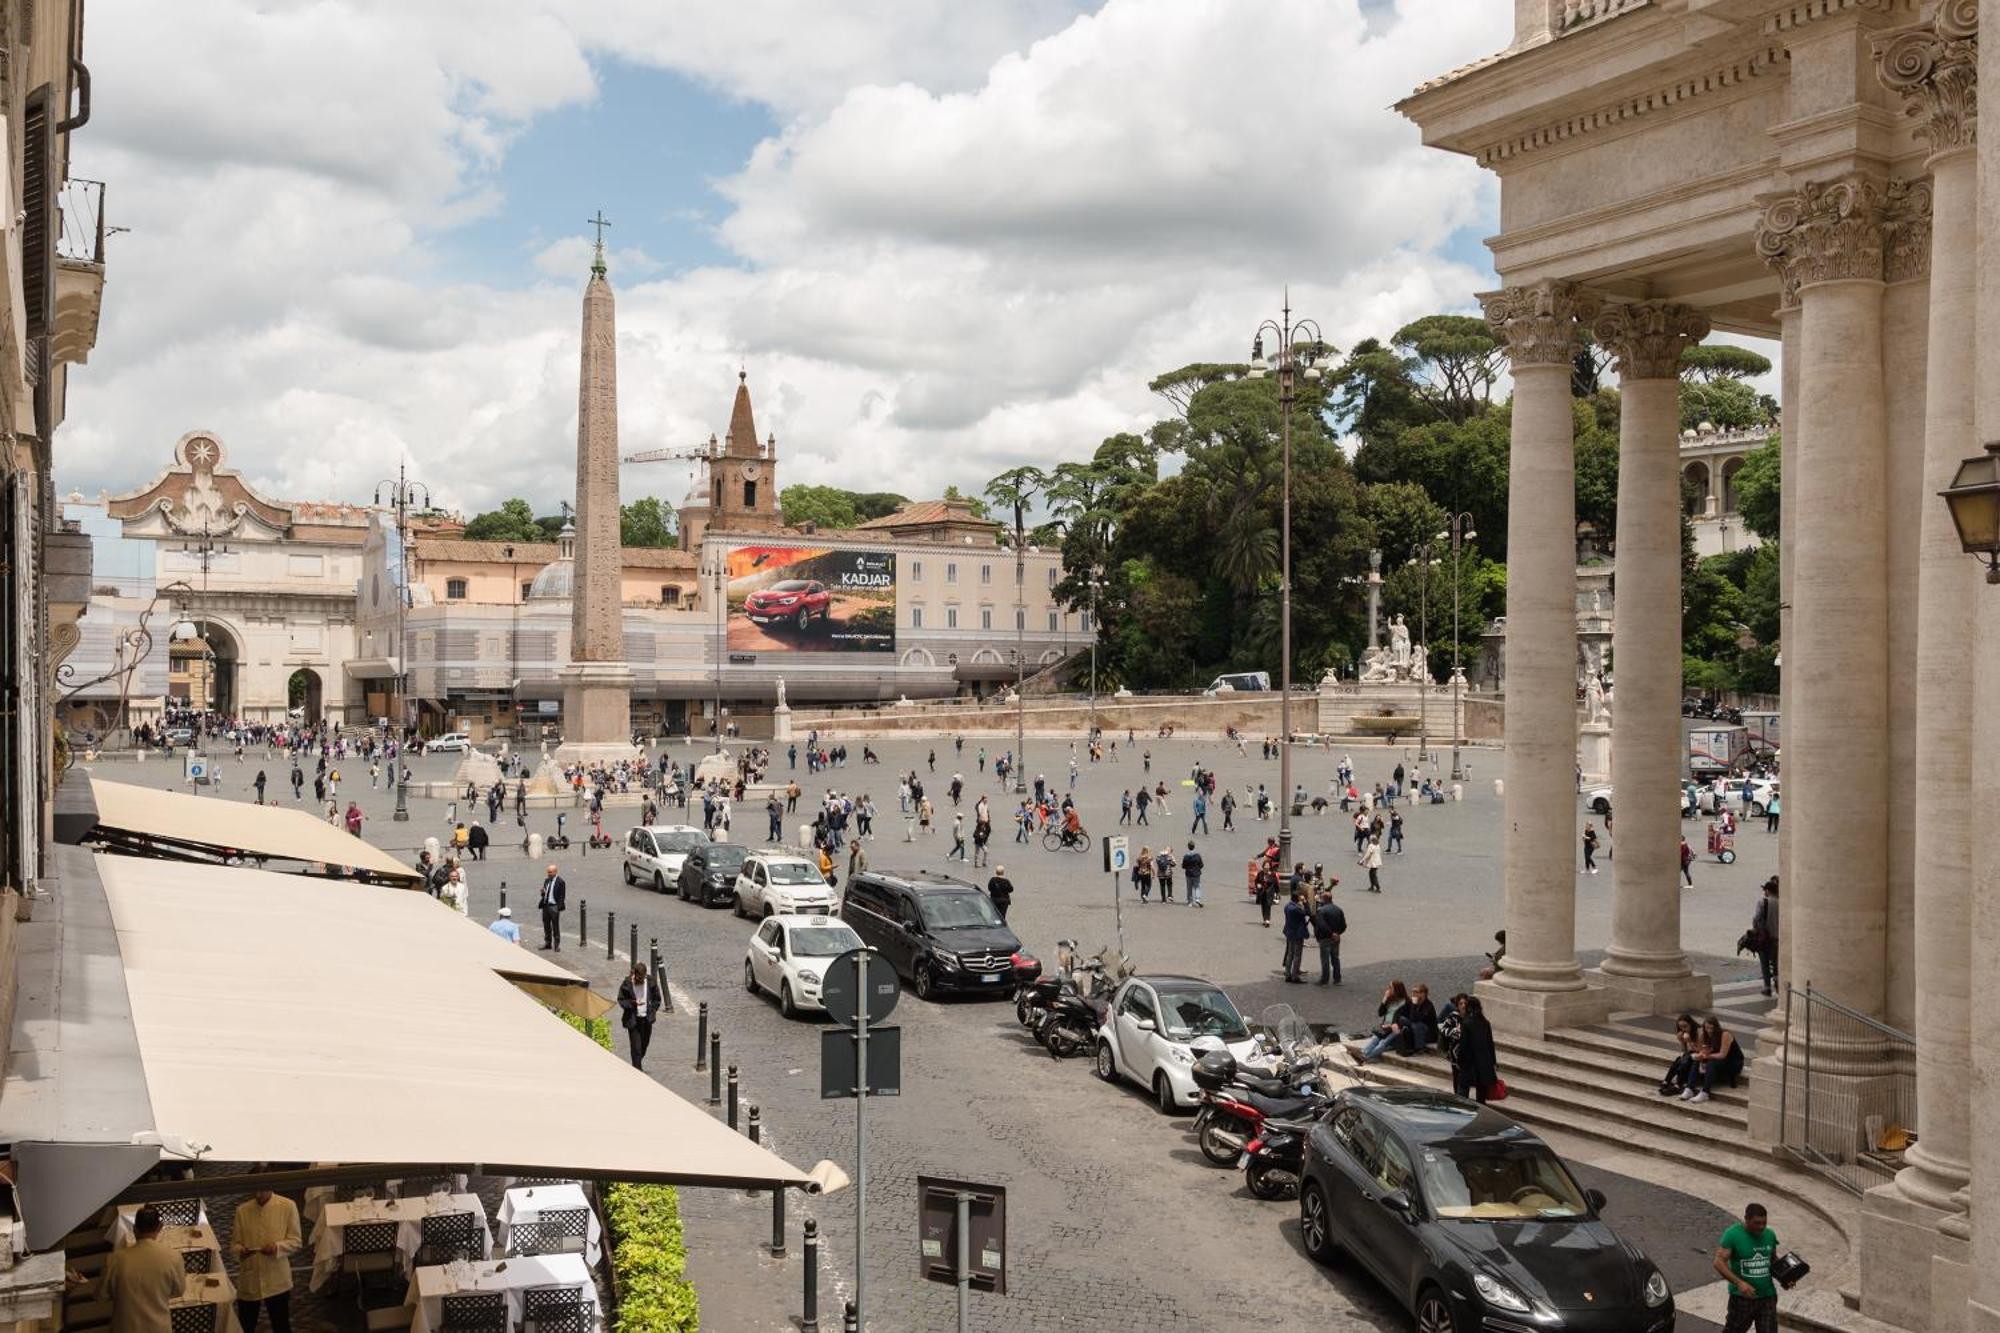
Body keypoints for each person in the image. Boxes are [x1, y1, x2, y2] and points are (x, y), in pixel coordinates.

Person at [231, 1187, 302, 1333]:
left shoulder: (287, 1206)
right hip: (250, 1277)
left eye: (262, 1191)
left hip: (277, 1279)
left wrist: (277, 1247)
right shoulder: (242, 1210)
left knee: (281, 1325)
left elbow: (295, 1241)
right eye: (255, 1191)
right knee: (245, 1326)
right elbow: (234, 1245)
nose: (258, 1195)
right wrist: (241, 1252)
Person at [1714, 1203, 1780, 1333]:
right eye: (1757, 1223)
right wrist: (1739, 1283)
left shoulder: (1770, 1235)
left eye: (1764, 1223)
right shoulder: (1732, 1234)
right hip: (1742, 1298)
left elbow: (1772, 1260)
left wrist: (1785, 1277)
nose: (1761, 1227)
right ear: (1746, 1218)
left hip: (1767, 1296)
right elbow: (1718, 1262)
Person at [1686, 1016, 1743, 1103]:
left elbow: (1722, 1054)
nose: (1709, 1030)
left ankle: (1705, 1092)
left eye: (1711, 1028)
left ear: (1716, 1027)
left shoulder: (1725, 1034)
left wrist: (1706, 1056)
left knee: (1711, 1063)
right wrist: (1699, 1054)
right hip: (1718, 1059)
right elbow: (1701, 1050)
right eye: (1707, 1028)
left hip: (1733, 1062)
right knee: (1697, 1060)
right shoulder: (1704, 1034)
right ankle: (1689, 1088)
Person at [1453, 995, 1499, 1103]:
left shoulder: (1467, 1023)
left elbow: (1463, 1045)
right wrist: (1493, 1062)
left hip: (1469, 1064)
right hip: (1483, 1064)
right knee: (1481, 1095)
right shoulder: (1485, 1023)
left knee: (1463, 1091)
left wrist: (1460, 1061)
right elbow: (1490, 1044)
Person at [618, 962, 661, 1069]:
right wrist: (632, 1004)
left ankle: (636, 1065)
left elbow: (657, 999)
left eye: (642, 978)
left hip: (646, 1019)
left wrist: (653, 1010)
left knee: (644, 1046)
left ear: (645, 975)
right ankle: (637, 1070)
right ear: (634, 975)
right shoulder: (627, 983)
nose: (640, 980)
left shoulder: (651, 982)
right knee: (636, 1048)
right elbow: (621, 1000)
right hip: (633, 1020)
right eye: (638, 978)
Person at [1657, 1012, 1701, 1097]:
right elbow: (1684, 1050)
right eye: (1680, 1027)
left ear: (1691, 1024)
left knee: (1685, 1061)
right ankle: (1667, 1081)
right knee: (1679, 1060)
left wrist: (1689, 1041)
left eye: (1685, 1026)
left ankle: (1678, 1085)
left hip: (1699, 1055)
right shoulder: (1683, 1033)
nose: (1683, 1029)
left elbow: (1700, 1050)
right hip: (1691, 1054)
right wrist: (1681, 1041)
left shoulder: (1699, 1032)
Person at [1753, 877, 1780, 996]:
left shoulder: (1763, 902)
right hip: (1778, 938)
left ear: (1768, 891)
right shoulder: (1782, 902)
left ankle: (1767, 987)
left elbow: (1756, 918)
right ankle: (1778, 986)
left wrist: (1755, 929)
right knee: (1776, 964)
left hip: (1765, 938)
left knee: (1765, 963)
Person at [1312, 886, 1345, 985]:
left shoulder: (1321, 911)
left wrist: (1330, 934)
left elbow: (1321, 925)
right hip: (1336, 938)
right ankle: (1337, 978)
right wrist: (1337, 933)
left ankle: (1324, 979)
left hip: (1325, 938)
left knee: (1325, 959)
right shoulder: (1338, 909)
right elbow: (1344, 925)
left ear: (1324, 899)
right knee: (1335, 958)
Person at [1281, 891, 1310, 982]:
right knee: (1297, 955)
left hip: (1289, 932)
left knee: (1290, 954)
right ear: (1297, 898)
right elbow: (1308, 912)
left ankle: (1288, 974)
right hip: (1297, 933)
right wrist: (1305, 902)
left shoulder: (1287, 906)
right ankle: (1295, 976)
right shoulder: (1296, 909)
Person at [538, 863, 566, 951]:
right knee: (546, 925)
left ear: (555, 872)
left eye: (550, 872)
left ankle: (556, 945)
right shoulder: (547, 880)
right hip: (546, 905)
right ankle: (547, 943)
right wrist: (543, 892)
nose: (548, 874)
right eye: (548, 872)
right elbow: (545, 893)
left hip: (554, 906)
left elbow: (562, 896)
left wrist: (558, 908)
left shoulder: (560, 882)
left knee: (555, 926)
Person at [1183, 841, 1205, 908]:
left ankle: (1190, 902)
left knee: (1189, 887)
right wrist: (1198, 868)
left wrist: (1187, 868)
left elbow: (1183, 866)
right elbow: (1201, 864)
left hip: (1188, 874)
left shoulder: (1186, 856)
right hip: (1196, 873)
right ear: (1194, 847)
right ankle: (1198, 899)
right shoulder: (1197, 856)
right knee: (1197, 886)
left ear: (1188, 847)